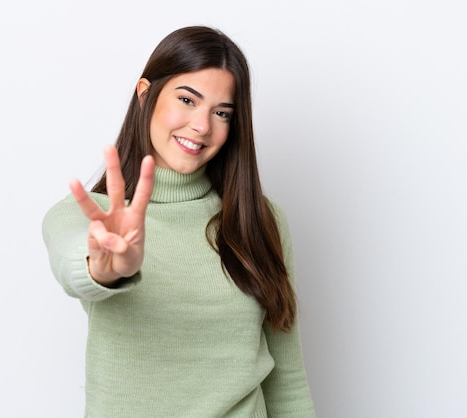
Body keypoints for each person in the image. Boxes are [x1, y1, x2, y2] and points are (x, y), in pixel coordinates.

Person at [42, 25, 315, 417]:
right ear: (145, 94)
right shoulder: (87, 215)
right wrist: (106, 269)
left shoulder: (261, 220)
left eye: (222, 112)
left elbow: (287, 382)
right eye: (187, 100)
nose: (202, 126)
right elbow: (75, 263)